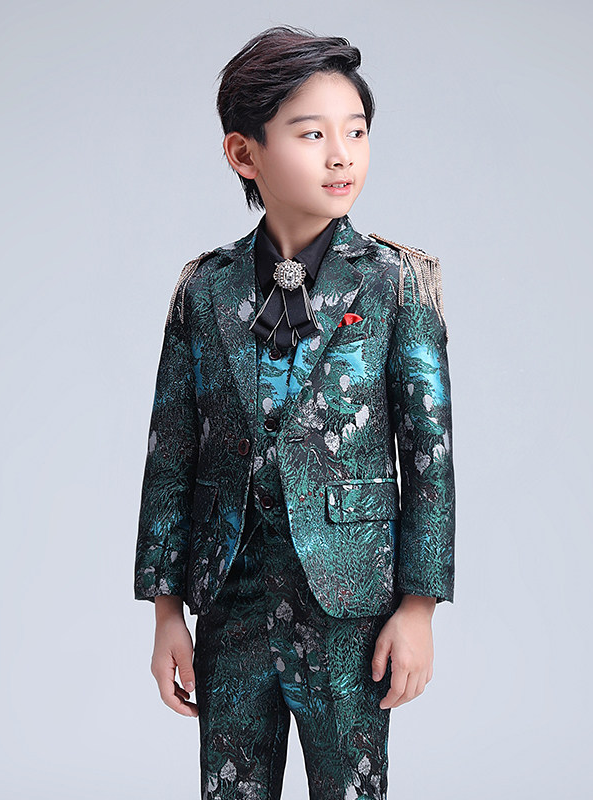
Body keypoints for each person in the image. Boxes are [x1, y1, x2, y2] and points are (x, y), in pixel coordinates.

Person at [134, 24, 456, 800]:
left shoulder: (396, 284)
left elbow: (430, 454)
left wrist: (419, 608)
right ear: (244, 153)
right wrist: (166, 612)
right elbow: (171, 451)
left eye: (356, 132)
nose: (342, 155)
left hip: (351, 604)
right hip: (230, 602)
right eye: (312, 134)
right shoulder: (204, 289)